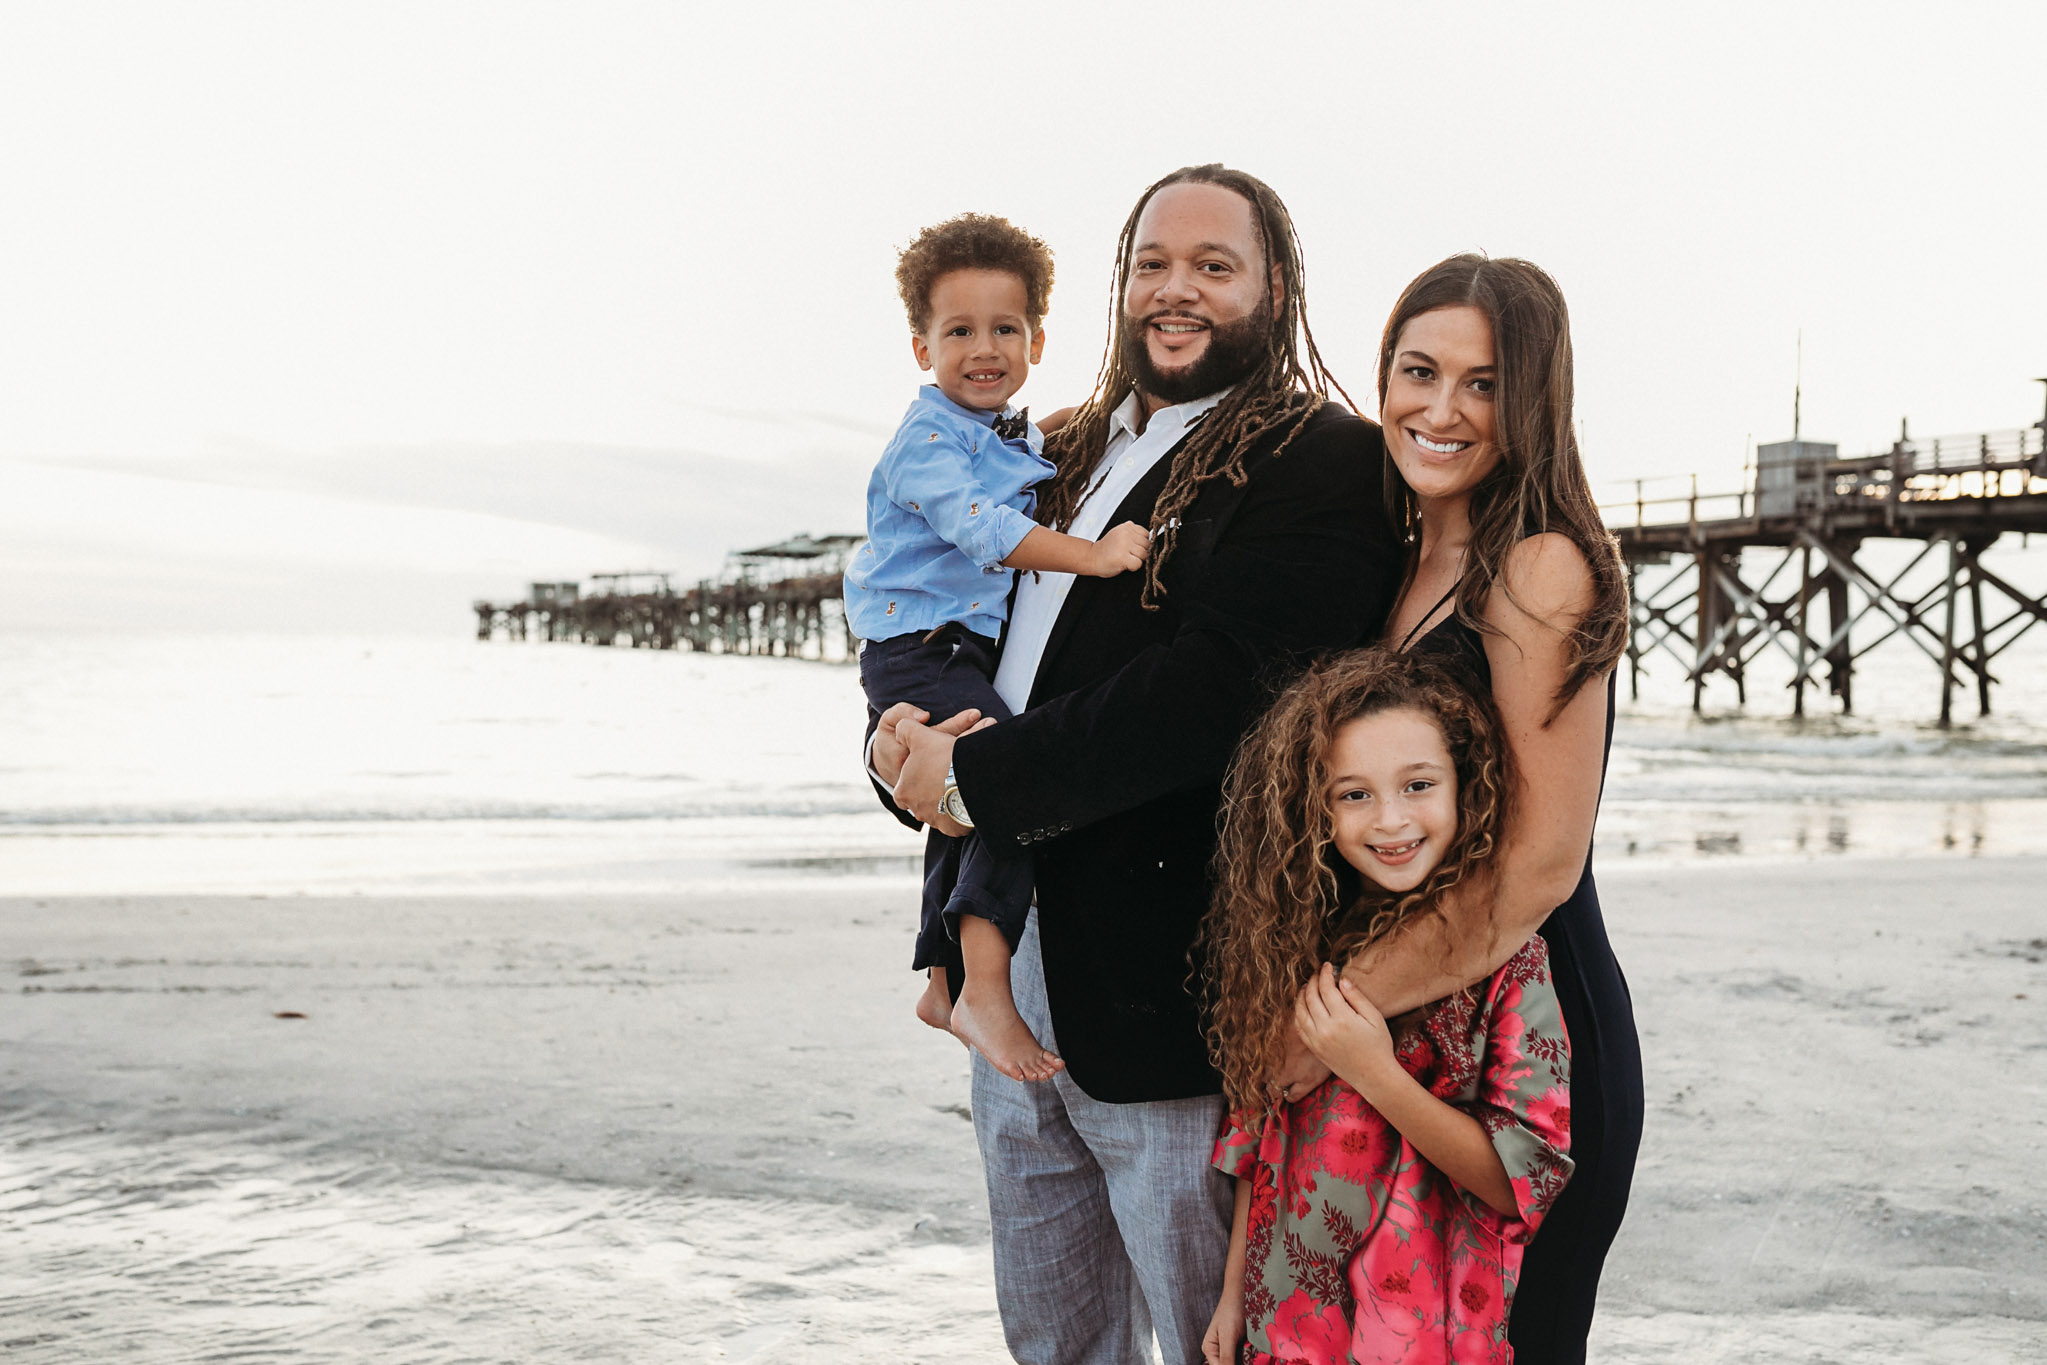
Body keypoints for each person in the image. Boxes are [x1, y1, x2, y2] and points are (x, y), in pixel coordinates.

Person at [872, 166, 1400, 1363]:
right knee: (1052, 1333)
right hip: (1008, 951)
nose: (1176, 290)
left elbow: (1217, 690)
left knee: (1215, 1332)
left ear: (1275, 289)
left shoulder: (1322, 460)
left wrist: (973, 786)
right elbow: (945, 619)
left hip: (1171, 984)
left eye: (1214, 267)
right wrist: (898, 740)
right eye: (1152, 263)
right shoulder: (1042, 454)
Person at [1273, 254, 1643, 1364]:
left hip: (1524, 1046)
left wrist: (1322, 1028)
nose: (1439, 411)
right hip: (1402, 1028)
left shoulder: (1535, 567)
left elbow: (1538, 864)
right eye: (1416, 371)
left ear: (1532, 401)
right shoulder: (1398, 557)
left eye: (1481, 385)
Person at [1198, 646, 1572, 1365]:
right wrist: (1231, 1292)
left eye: (1418, 784)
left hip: (1423, 1334)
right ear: (1315, 806)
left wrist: (1372, 1070)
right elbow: (1259, 1143)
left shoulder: (1507, 960)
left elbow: (1516, 1181)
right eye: (1354, 794)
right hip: (1287, 1324)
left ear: (1467, 784)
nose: (1390, 820)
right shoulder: (1293, 937)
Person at [846, 213, 1152, 1083]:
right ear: (920, 347)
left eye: (1005, 329)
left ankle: (941, 981)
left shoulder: (993, 432)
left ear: (1037, 338)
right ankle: (983, 986)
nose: (984, 348)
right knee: (1000, 779)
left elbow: (1029, 457)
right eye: (958, 331)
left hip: (939, 647)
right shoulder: (927, 443)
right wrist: (1092, 556)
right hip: (921, 646)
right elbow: (981, 528)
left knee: (959, 795)